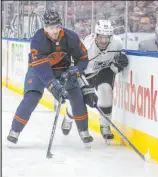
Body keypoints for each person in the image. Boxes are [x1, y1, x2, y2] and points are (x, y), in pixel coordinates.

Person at [7, 9, 98, 147]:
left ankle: (84, 131)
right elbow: (42, 68)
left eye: (56, 27)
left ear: (60, 25)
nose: (54, 31)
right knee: (32, 97)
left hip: (63, 70)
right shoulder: (38, 40)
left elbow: (83, 58)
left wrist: (75, 70)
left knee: (76, 96)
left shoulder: (71, 37)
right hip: (38, 70)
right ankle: (15, 130)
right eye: (50, 27)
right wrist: (52, 85)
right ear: (44, 27)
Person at [61, 20, 128, 143]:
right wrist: (88, 89)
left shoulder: (117, 43)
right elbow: (78, 71)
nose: (103, 41)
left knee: (106, 91)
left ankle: (105, 125)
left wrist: (118, 66)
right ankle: (68, 116)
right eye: (101, 37)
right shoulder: (86, 47)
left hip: (104, 71)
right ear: (96, 36)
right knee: (78, 103)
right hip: (86, 74)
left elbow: (116, 64)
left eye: (107, 38)